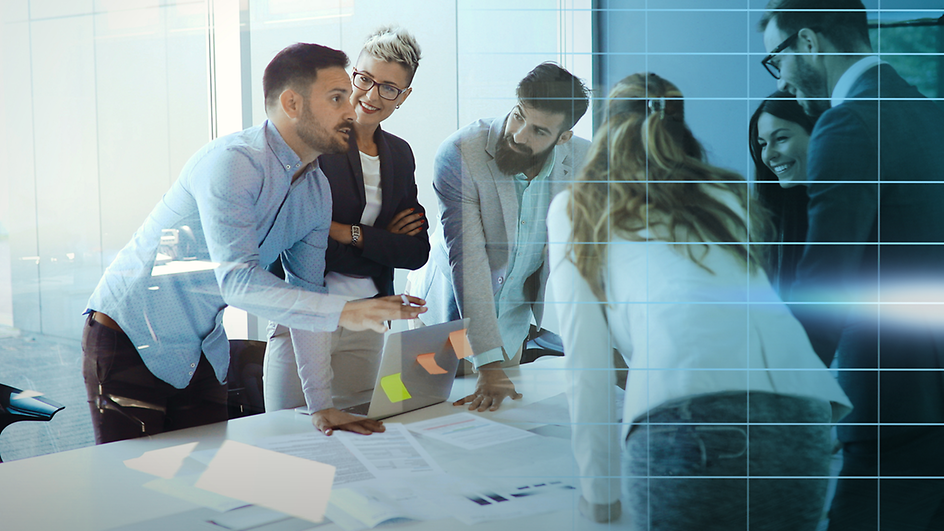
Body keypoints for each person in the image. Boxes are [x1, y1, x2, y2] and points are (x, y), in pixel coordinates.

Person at [546, 72, 851, 529]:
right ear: (680, 131)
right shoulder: (723, 195)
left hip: (692, 418)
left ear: (607, 133)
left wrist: (600, 492)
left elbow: (588, 367)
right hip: (802, 412)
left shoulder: (578, 209)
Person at [82, 43, 425, 444]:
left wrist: (320, 405)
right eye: (337, 97)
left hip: (203, 348)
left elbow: (306, 291)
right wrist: (343, 311)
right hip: (129, 336)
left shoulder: (315, 189)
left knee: (208, 485)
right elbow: (238, 282)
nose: (351, 109)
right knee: (134, 489)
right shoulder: (234, 162)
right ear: (292, 103)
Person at [760, 1, 944, 528]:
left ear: (809, 44)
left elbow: (826, 283)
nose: (784, 79)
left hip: (893, 403)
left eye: (778, 59)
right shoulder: (929, 113)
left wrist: (783, 402)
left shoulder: (847, 125)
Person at [263, 27, 429, 435]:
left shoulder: (400, 154)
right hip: (304, 315)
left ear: (404, 96)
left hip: (367, 322)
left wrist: (348, 232)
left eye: (389, 88)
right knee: (289, 439)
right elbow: (300, 245)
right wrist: (378, 239)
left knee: (358, 437)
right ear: (353, 74)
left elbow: (416, 252)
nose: (371, 96)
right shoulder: (318, 143)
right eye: (366, 79)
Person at [407, 62, 590, 411]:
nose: (520, 135)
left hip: (511, 323)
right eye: (519, 115)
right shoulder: (462, 153)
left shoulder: (586, 163)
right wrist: (487, 364)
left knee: (493, 428)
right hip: (443, 319)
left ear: (563, 138)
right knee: (425, 420)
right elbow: (469, 258)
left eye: (538, 131)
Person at [748, 91, 815, 298]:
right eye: (763, 144)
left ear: (819, 133)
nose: (768, 154)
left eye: (781, 138)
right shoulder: (781, 223)